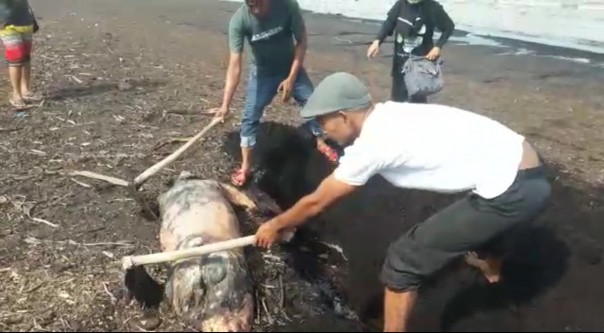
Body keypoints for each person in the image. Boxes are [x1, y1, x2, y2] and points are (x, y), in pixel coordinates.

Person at [254, 72, 551, 331]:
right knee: (480, 217)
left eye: (323, 122)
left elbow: (317, 203)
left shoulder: (373, 145)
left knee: (403, 259)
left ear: (343, 115)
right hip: (528, 168)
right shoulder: (390, 113)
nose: (323, 131)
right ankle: (492, 269)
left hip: (513, 189)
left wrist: (275, 224)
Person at [207, 0, 338, 186]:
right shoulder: (239, 21)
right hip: (263, 72)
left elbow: (302, 41)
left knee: (313, 105)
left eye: (259, 4)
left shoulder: (287, 5)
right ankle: (245, 166)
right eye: (251, 6)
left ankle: (320, 140)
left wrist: (291, 78)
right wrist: (225, 105)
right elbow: (234, 65)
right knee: (250, 116)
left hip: (291, 67)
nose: (256, 10)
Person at [367, 0, 455, 103]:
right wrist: (377, 41)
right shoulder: (401, 4)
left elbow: (449, 27)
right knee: (397, 101)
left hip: (420, 66)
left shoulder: (432, 7)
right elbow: (389, 23)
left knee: (417, 103)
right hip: (400, 62)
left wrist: (437, 47)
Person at [0, 0, 42, 110]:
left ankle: (26, 90)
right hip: (7, 24)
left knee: (26, 57)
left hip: (25, 22)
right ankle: (16, 94)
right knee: (16, 59)